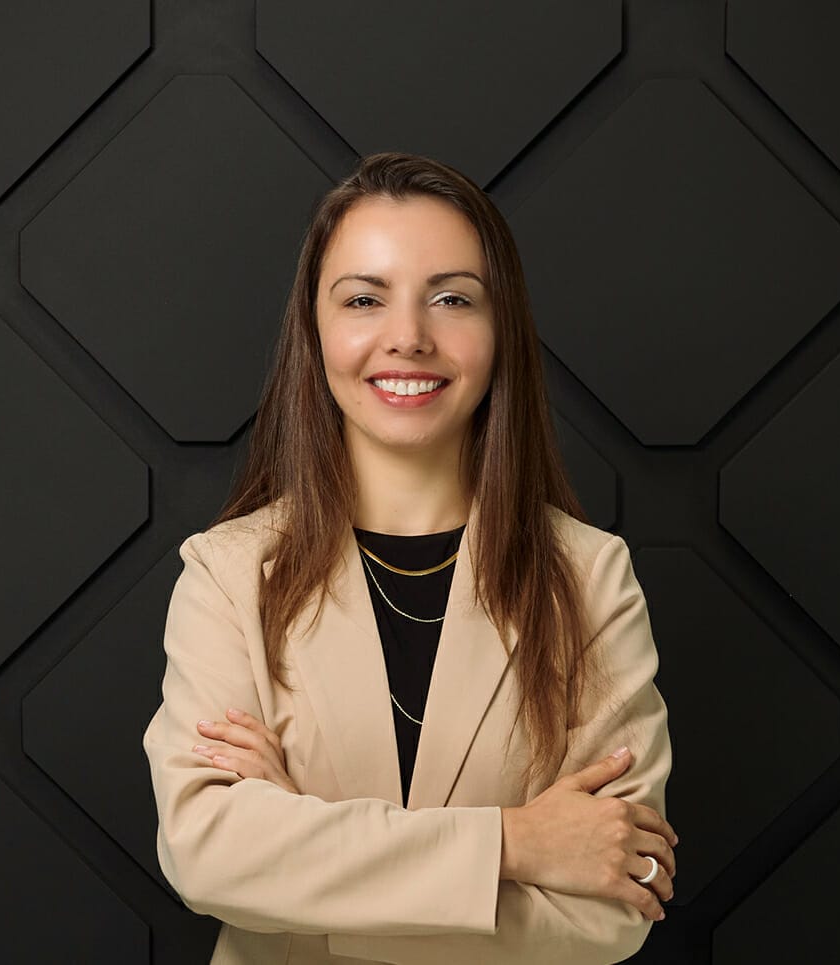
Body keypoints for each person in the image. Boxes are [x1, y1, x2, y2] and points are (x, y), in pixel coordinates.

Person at [143, 151, 675, 965]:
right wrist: (518, 842)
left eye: (452, 298)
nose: (408, 338)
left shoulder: (591, 577)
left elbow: (617, 900)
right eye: (364, 298)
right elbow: (208, 852)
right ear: (314, 330)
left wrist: (301, 865)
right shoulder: (228, 574)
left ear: (502, 330)